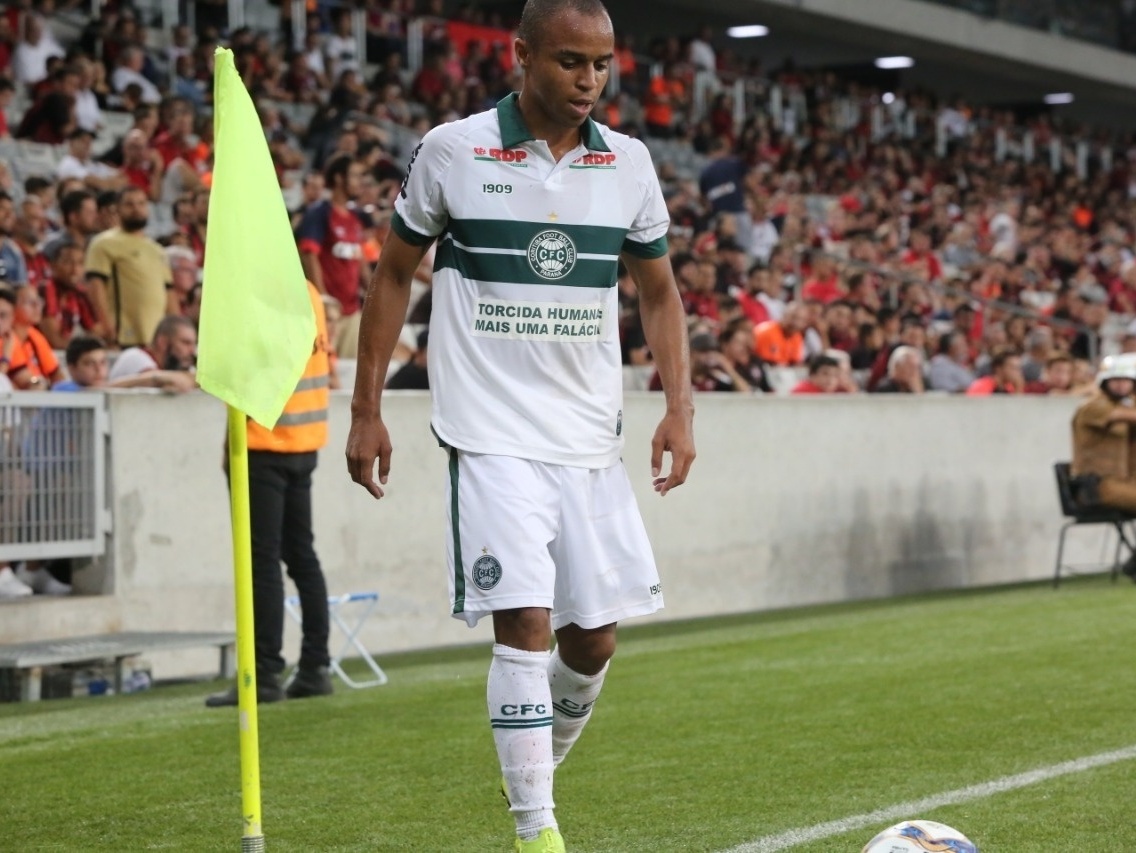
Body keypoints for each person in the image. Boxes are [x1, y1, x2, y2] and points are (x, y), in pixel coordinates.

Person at [344, 1, 696, 849]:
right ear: (522, 55)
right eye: (571, 62)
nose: (589, 82)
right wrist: (368, 408)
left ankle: (534, 767)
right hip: (490, 431)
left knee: (595, 640)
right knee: (526, 622)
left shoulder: (630, 164)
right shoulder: (453, 149)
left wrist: (679, 407)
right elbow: (393, 275)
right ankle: (537, 827)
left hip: (589, 437)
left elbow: (658, 291)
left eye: (603, 65)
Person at [207, 283, 335, 707]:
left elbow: (239, 367)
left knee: (261, 562)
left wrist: (230, 446)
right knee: (302, 556)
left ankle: (263, 675)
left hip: (263, 441)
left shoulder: (255, 291)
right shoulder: (309, 291)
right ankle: (316, 666)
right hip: (306, 438)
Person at [84, 186, 176, 346]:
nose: (136, 209)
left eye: (141, 204)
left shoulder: (157, 249)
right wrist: (107, 326)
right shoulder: (104, 243)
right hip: (124, 336)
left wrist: (175, 331)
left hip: (157, 340)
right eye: (129, 204)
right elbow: (96, 286)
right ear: (117, 209)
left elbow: (168, 293)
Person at [1070, 354, 1136, 576]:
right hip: (1095, 487)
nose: (1120, 384)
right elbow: (1121, 416)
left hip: (1123, 483)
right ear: (1104, 382)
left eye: (1126, 380)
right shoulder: (1093, 406)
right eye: (1115, 379)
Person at [107, 314, 198, 391]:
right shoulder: (135, 357)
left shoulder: (177, 366)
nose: (192, 350)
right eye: (186, 343)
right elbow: (169, 383)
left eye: (194, 344)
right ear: (163, 342)